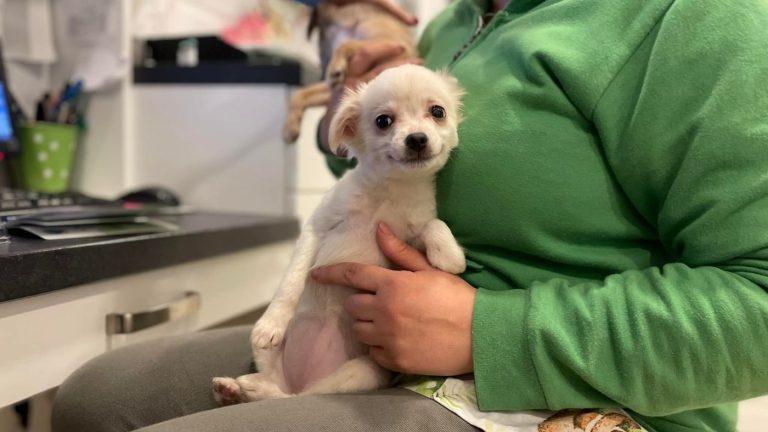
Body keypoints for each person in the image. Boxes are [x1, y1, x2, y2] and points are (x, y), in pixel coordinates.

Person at [52, 0, 768, 431]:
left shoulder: (693, 19)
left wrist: (486, 331)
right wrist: (352, 114)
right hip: (389, 347)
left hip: (580, 398)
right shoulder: (457, 19)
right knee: (97, 396)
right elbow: (404, 164)